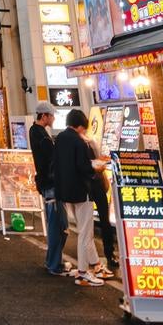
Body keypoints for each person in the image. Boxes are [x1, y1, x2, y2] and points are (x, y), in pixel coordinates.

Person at [54, 109, 105, 285]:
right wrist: (96, 167)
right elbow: (83, 167)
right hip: (82, 191)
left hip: (66, 192)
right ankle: (83, 271)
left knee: (82, 229)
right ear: (81, 126)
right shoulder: (78, 141)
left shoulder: (60, 138)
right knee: (85, 232)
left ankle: (95, 265)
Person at [80, 114, 118, 278]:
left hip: (88, 185)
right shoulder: (87, 141)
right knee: (102, 220)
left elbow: (93, 161)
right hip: (93, 184)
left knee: (88, 223)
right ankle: (106, 255)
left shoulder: (83, 141)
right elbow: (95, 162)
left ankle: (96, 258)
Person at [30, 101, 64, 275]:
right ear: (44, 116)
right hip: (50, 184)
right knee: (55, 226)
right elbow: (51, 160)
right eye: (51, 115)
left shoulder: (34, 131)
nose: (53, 118)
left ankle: (54, 261)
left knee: (59, 224)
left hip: (45, 183)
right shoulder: (42, 136)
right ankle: (53, 264)